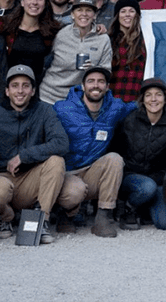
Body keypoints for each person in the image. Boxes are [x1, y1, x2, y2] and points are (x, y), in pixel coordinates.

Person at [54, 66, 134, 237]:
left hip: (92, 171)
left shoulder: (115, 107)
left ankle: (103, 217)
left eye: (101, 82)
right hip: (67, 173)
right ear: (83, 86)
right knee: (75, 191)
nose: (95, 85)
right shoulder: (62, 108)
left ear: (107, 87)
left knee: (114, 159)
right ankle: (65, 214)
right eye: (90, 81)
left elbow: (142, 106)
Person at [0, 65, 69, 243]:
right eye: (15, 85)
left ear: (33, 91)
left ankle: (41, 221)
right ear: (7, 91)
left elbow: (61, 143)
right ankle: (6, 218)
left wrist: (24, 155)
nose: (20, 90)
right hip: (3, 178)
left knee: (56, 161)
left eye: (26, 85)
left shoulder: (44, 110)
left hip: (30, 179)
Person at [114, 77, 166, 230]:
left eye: (158, 94)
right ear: (142, 100)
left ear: (165, 99)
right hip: (130, 177)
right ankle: (129, 207)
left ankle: (144, 207)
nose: (153, 99)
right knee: (146, 187)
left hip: (158, 180)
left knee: (165, 224)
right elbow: (115, 150)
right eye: (148, 95)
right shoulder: (129, 121)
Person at [39, 0, 112, 105]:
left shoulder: (103, 39)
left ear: (95, 15)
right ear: (72, 14)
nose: (84, 14)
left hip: (79, 101)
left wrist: (93, 70)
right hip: (49, 96)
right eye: (79, 10)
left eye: (88, 10)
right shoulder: (60, 33)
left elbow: (107, 71)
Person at [1, 0, 61, 83]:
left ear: (45, 3)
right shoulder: (6, 26)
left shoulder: (53, 31)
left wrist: (96, 28)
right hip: (8, 87)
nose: (34, 2)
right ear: (22, 2)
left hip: (38, 88)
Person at [107, 0, 146, 102]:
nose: (127, 15)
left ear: (137, 15)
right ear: (117, 15)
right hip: (112, 99)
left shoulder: (145, 40)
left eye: (131, 11)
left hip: (137, 99)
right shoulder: (109, 40)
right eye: (123, 11)